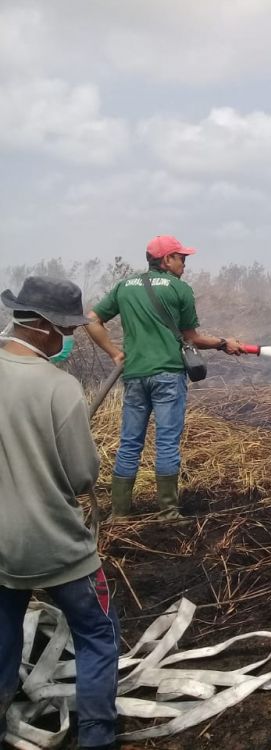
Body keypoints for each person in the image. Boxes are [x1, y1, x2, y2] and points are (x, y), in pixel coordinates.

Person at [0, 276, 119, 749]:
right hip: (55, 543)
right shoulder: (59, 386)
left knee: (3, 631)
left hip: (1, 546)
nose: (68, 338)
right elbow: (82, 474)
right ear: (45, 327)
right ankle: (97, 735)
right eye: (66, 329)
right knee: (97, 632)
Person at [86, 235, 245, 519]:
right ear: (166, 259)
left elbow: (92, 319)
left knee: (129, 443)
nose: (185, 263)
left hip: (135, 376)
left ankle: (119, 514)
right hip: (168, 376)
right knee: (167, 443)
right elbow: (192, 337)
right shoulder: (179, 288)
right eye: (181, 258)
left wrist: (115, 353)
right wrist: (224, 343)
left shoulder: (124, 286)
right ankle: (168, 513)